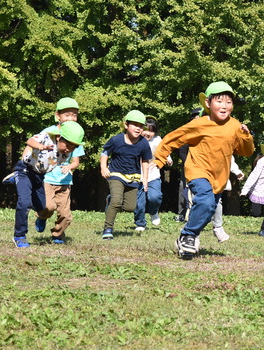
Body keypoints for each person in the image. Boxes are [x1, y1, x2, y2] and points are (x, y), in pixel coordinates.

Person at [153, 82, 254, 259]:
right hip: (198, 170)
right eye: (219, 101)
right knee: (205, 203)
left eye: (229, 102)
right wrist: (160, 159)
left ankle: (187, 237)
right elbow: (173, 138)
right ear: (208, 103)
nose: (224, 106)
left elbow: (246, 151)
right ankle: (189, 235)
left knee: (207, 210)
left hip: (219, 177)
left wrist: (246, 136)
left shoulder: (235, 125)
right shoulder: (199, 124)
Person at [11, 121, 85, 247]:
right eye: (67, 145)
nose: (69, 150)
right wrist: (40, 146)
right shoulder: (46, 136)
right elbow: (30, 141)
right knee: (25, 203)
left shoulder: (65, 153)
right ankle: (19, 236)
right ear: (58, 137)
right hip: (25, 170)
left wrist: (68, 168)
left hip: (39, 176)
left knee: (44, 207)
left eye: (73, 148)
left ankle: (40, 216)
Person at [36, 98, 86, 244]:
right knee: (48, 207)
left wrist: (70, 166)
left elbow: (76, 161)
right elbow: (35, 145)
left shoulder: (76, 135)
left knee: (66, 214)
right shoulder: (49, 132)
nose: (71, 118)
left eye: (74, 115)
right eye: (67, 115)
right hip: (47, 179)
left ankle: (58, 235)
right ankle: (42, 216)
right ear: (58, 115)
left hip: (64, 181)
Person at [100, 110, 152, 240]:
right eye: (135, 125)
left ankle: (110, 200)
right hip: (116, 174)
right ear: (126, 125)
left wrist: (145, 178)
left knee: (130, 207)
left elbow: (145, 161)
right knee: (117, 201)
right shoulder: (116, 140)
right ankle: (108, 229)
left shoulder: (143, 143)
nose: (138, 128)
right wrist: (103, 167)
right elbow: (105, 153)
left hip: (133, 177)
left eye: (141, 126)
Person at [134, 116, 168, 232]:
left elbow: (164, 150)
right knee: (139, 202)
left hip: (153, 175)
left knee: (155, 197)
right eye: (146, 130)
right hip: (138, 175)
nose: (148, 133)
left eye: (151, 131)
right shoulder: (135, 140)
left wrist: (167, 158)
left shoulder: (157, 140)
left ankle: (154, 211)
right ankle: (140, 223)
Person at [176, 107, 203, 222]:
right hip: (188, 165)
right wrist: (189, 163)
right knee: (183, 188)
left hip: (203, 166)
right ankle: (182, 213)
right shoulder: (186, 132)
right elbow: (181, 150)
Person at [211, 156, 244, 242]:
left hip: (218, 181)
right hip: (202, 179)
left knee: (217, 202)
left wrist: (237, 172)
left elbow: (229, 160)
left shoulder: (225, 145)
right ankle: (190, 232)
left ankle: (218, 227)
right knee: (201, 204)